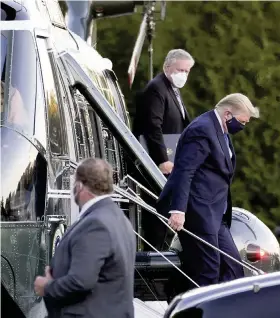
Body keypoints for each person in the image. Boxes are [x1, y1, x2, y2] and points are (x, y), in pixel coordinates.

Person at [156, 93, 260, 289]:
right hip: (198, 211)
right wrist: (178, 209)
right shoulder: (202, 129)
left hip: (215, 213)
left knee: (233, 268)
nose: (243, 127)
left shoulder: (220, 130)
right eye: (242, 122)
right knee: (208, 269)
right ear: (228, 114)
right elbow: (184, 171)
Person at [34, 158, 136, 318]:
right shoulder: (117, 217)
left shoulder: (96, 224)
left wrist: (47, 287)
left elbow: (81, 280)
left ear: (80, 186)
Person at [133, 48, 195, 176]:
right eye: (180, 70)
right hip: (158, 164)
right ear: (166, 67)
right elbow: (153, 125)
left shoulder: (173, 88)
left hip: (173, 159)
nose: (183, 75)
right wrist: (162, 159)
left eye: (186, 71)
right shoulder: (157, 88)